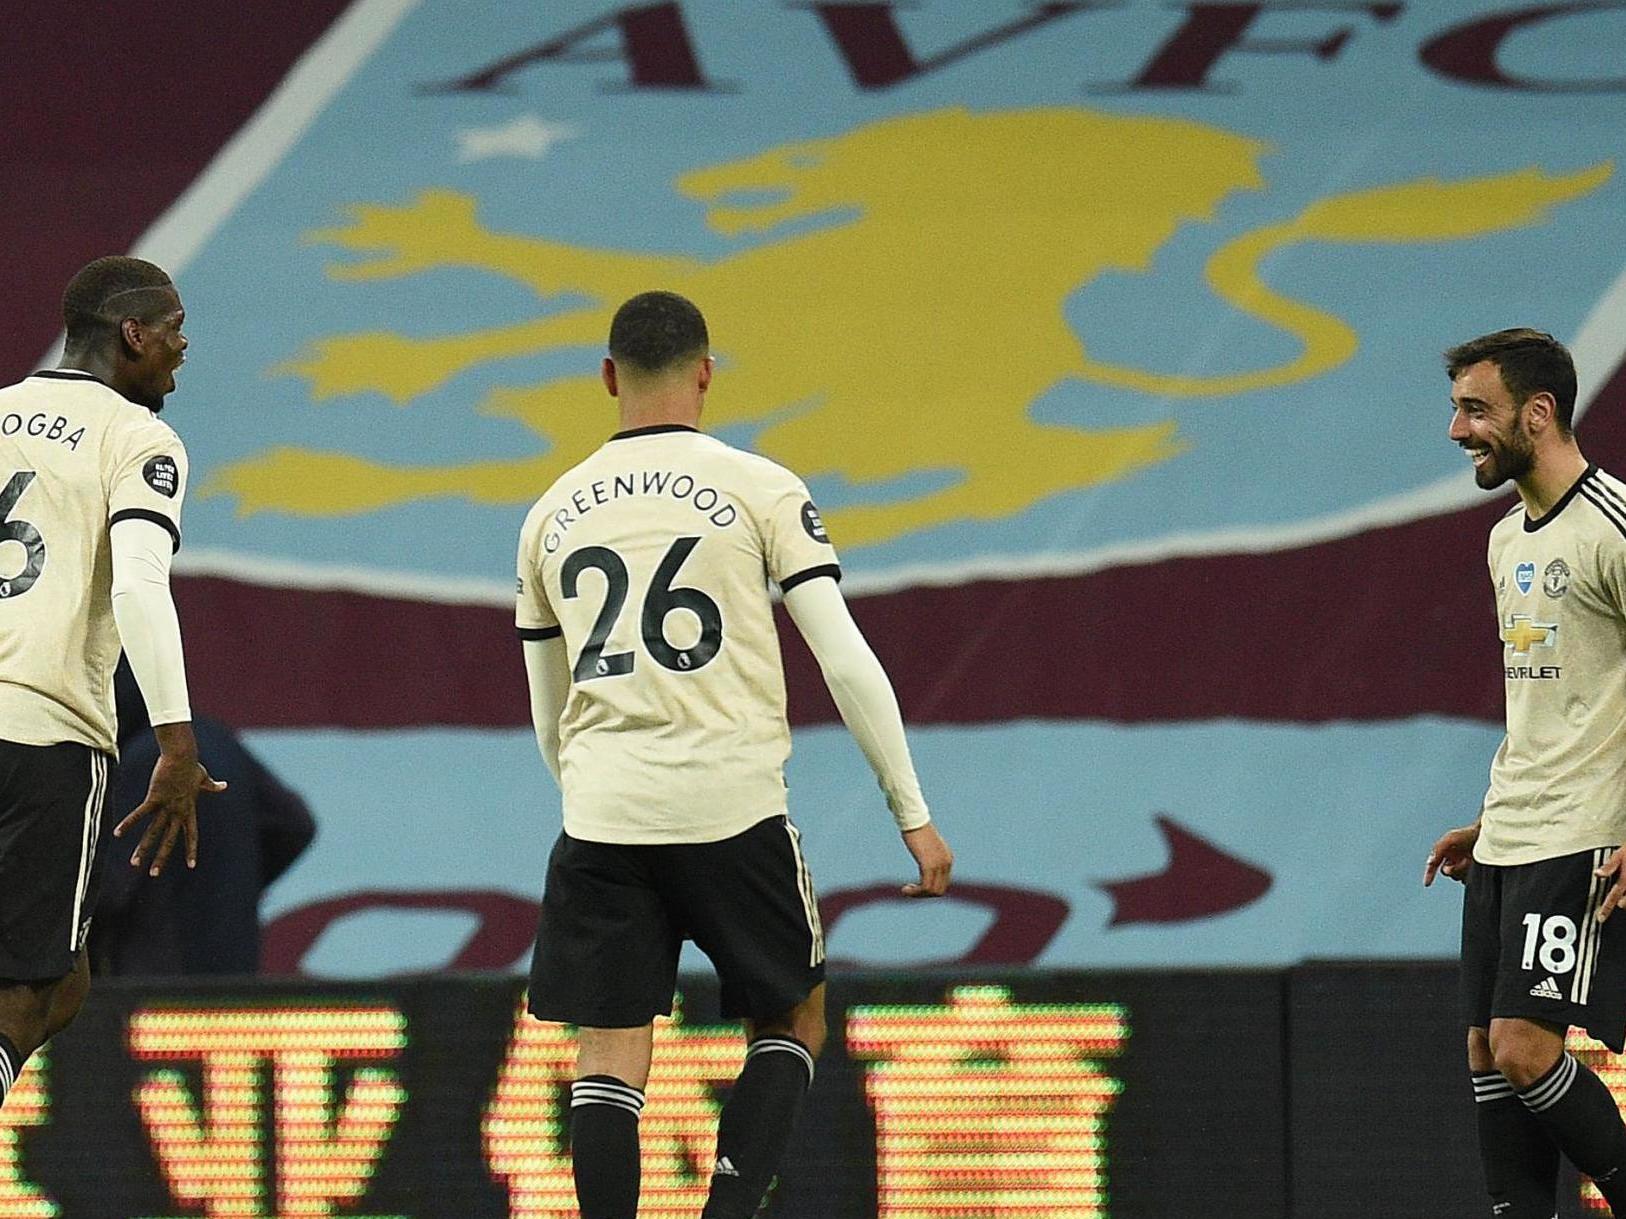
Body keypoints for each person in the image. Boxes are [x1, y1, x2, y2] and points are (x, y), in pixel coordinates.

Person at [515, 290, 952, 1219]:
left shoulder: (549, 516)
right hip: (730, 807)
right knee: (793, 1014)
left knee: (608, 1049)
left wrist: (594, 793)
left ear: (607, 378)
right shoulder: (762, 488)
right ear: (706, 373)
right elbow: (844, 657)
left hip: (603, 815)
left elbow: (549, 710)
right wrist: (909, 809)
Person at [0, 256, 223, 1108]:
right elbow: (137, 583)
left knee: (68, 977)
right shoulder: (138, 438)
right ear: (131, 334)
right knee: (39, 987)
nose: (183, 346)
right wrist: (174, 737)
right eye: (171, 329)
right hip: (44, 734)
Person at [1426, 328, 1626, 1216]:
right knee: (1482, 1045)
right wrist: (1488, 818)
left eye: (1476, 409)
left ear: (1537, 414)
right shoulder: (1506, 538)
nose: (1457, 429)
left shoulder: (1613, 527)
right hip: (1514, 825)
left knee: (1521, 1044)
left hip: (1583, 828)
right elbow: (1553, 699)